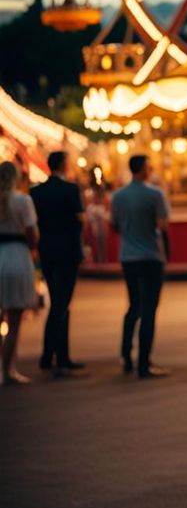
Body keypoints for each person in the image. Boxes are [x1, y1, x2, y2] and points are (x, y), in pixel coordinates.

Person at [111, 153, 170, 378]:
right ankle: (144, 363)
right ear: (143, 170)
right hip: (151, 257)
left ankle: (126, 354)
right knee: (149, 310)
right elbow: (163, 226)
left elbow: (114, 225)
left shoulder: (118, 196)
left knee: (133, 306)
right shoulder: (155, 194)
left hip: (128, 256)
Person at [32, 149, 86, 378]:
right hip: (67, 252)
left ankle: (51, 354)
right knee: (62, 303)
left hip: (47, 250)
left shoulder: (37, 192)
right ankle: (57, 357)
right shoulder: (71, 190)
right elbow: (79, 220)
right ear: (63, 165)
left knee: (57, 301)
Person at [0, 160, 40, 385]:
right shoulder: (22, 201)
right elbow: (32, 234)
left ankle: (2, 367)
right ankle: (8, 369)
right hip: (16, 256)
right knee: (14, 320)